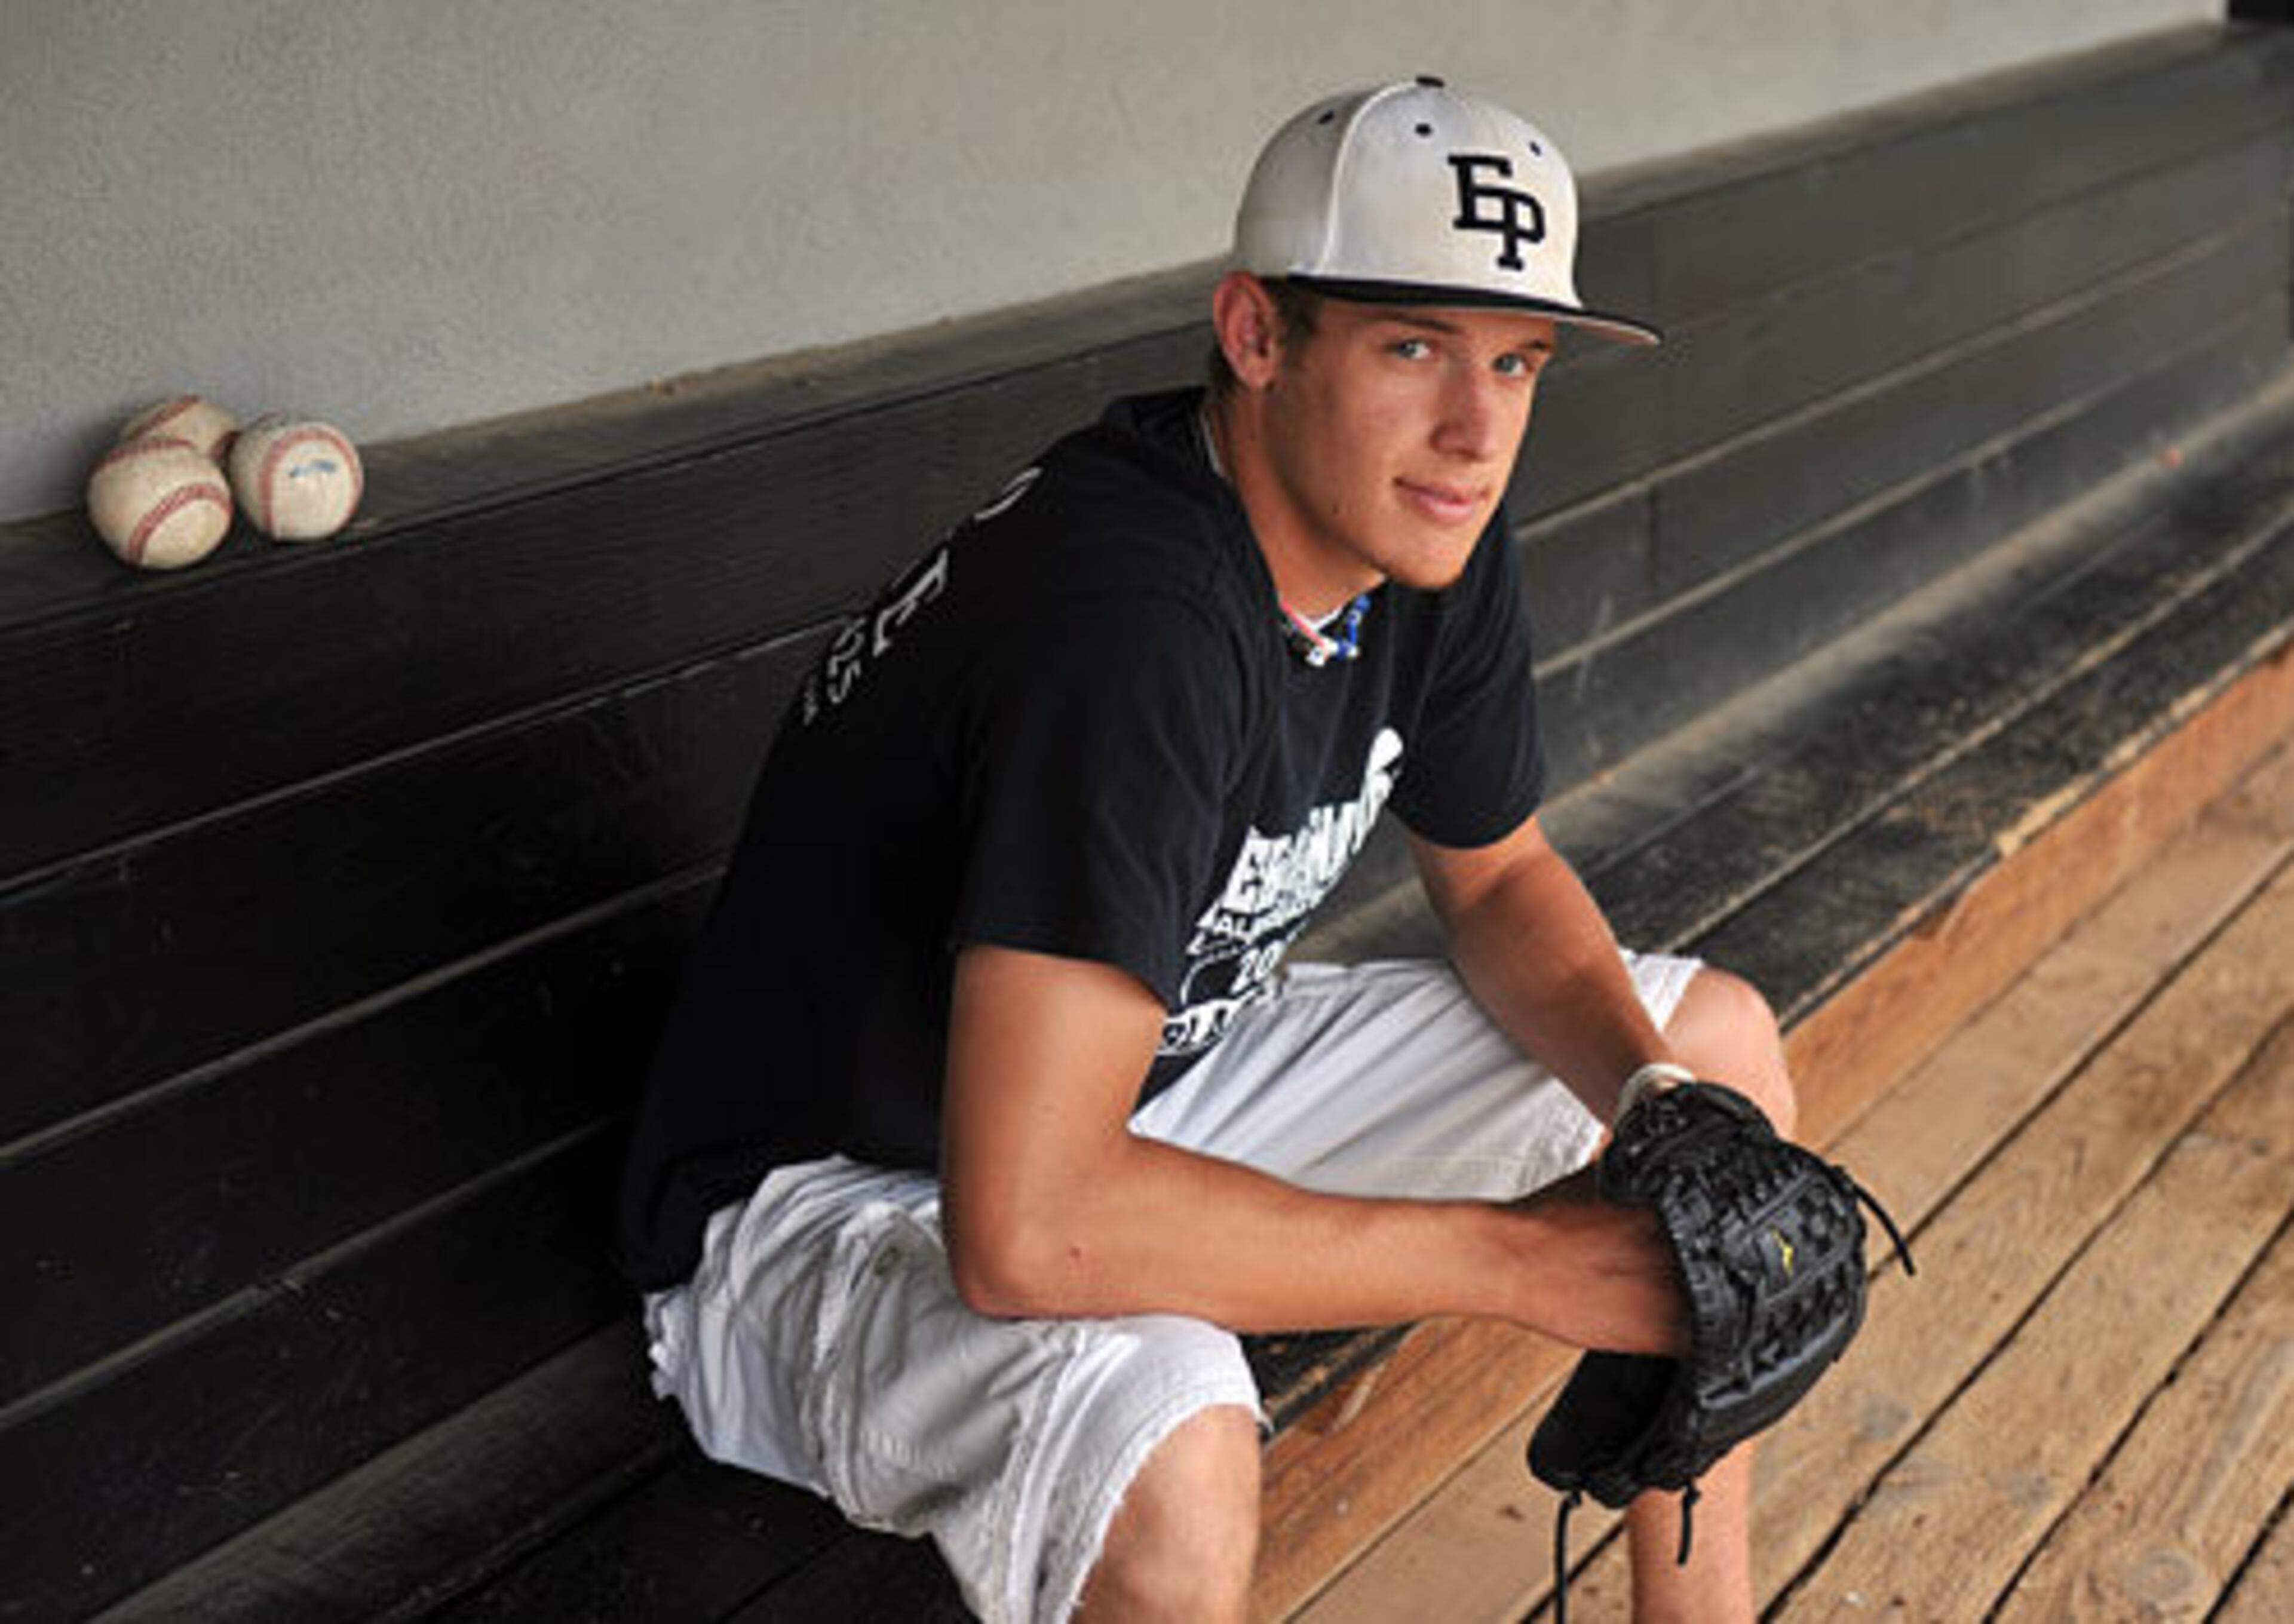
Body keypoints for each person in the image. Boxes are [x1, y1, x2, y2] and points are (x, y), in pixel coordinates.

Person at [616, 76, 1797, 1623]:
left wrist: (1648, 1104)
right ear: (1255, 335)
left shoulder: (1418, 522)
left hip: (1151, 1080)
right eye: (1413, 347)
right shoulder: (1128, 622)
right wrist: (1519, 1264)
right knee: (1172, 1435)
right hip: (829, 1204)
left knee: (1713, 1058)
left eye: (1517, 363)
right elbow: (1031, 1228)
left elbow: (1499, 878)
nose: (1478, 427)